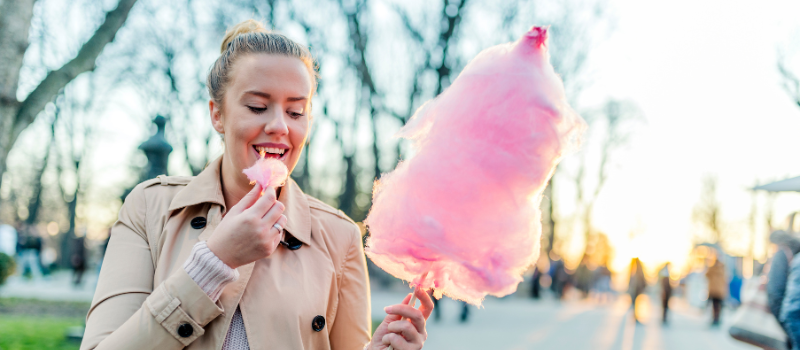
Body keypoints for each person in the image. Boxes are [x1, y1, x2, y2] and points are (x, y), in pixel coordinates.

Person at [81, 20, 433, 350]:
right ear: (217, 115)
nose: (280, 125)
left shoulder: (339, 236)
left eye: (296, 112)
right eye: (257, 106)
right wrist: (213, 263)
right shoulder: (149, 207)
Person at [768, 230, 800, 350]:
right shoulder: (790, 253)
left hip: (792, 316)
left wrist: (782, 320)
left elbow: (775, 291)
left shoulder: (783, 254)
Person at [706, 255, 727, 326]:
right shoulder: (722, 269)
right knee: (717, 306)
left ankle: (716, 319)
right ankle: (716, 319)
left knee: (715, 306)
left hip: (715, 291)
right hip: (718, 291)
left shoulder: (714, 268)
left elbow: (706, 275)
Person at [628, 258, 646, 324]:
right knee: (634, 303)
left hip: (636, 288)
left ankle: (635, 316)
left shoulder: (637, 268)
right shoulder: (634, 268)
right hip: (635, 288)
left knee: (635, 303)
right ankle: (635, 316)